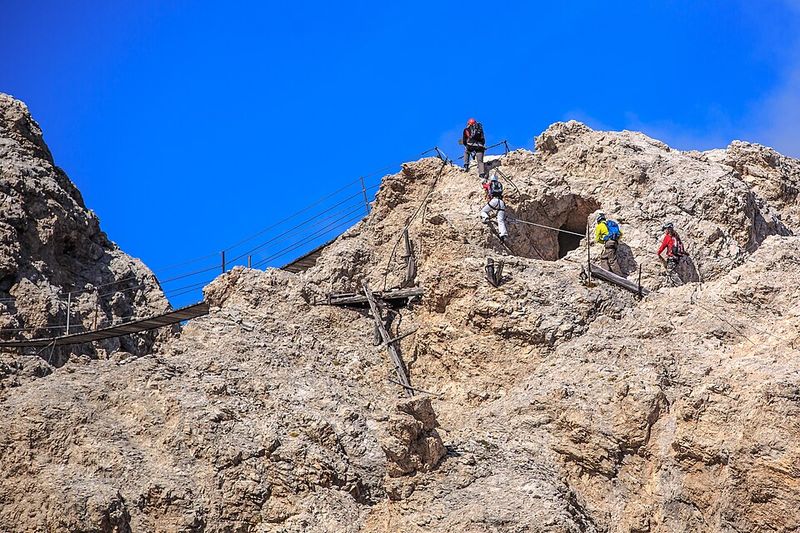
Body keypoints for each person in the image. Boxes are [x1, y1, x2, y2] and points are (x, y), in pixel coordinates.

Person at [481, 174, 508, 242]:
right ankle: (503, 235)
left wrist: (484, 181)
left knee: (483, 211)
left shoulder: (490, 184)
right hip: (501, 202)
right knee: (500, 220)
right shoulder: (500, 184)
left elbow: (484, 186)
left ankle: (486, 218)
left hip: (494, 201)